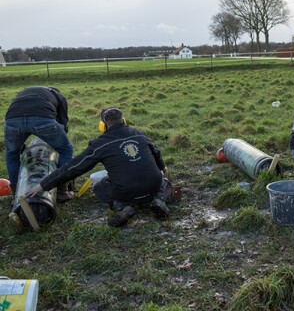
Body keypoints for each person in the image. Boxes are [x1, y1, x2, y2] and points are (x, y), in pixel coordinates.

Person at [26, 107, 170, 227]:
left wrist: (44, 185)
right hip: (153, 186)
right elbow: (156, 153)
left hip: (126, 192)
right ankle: (159, 199)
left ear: (103, 125)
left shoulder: (100, 144)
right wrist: (162, 167)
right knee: (162, 179)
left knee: (99, 187)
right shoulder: (140, 134)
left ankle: (122, 207)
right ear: (124, 121)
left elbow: (74, 167)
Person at [4, 86, 74, 201]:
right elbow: (63, 122)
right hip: (42, 118)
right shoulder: (59, 96)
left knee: (12, 153)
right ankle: (61, 189)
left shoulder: (23, 92)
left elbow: (21, 114)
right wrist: (58, 140)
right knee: (66, 149)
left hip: (13, 120)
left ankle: (16, 193)